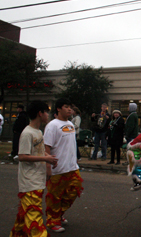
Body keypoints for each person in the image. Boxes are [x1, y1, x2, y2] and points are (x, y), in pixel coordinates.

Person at [9, 101, 58, 237]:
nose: (48, 115)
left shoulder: (38, 132)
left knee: (24, 215)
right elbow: (23, 156)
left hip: (37, 178)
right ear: (40, 113)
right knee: (33, 214)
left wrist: (49, 157)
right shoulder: (27, 133)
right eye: (46, 112)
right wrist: (45, 159)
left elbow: (39, 151)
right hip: (29, 181)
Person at [44, 98, 83, 233]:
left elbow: (71, 145)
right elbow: (47, 147)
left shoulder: (71, 125)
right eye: (66, 107)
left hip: (72, 167)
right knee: (54, 195)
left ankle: (58, 213)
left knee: (74, 190)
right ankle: (52, 220)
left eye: (70, 107)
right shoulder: (52, 125)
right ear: (59, 109)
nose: (69, 109)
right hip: (57, 168)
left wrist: (75, 158)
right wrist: (48, 166)